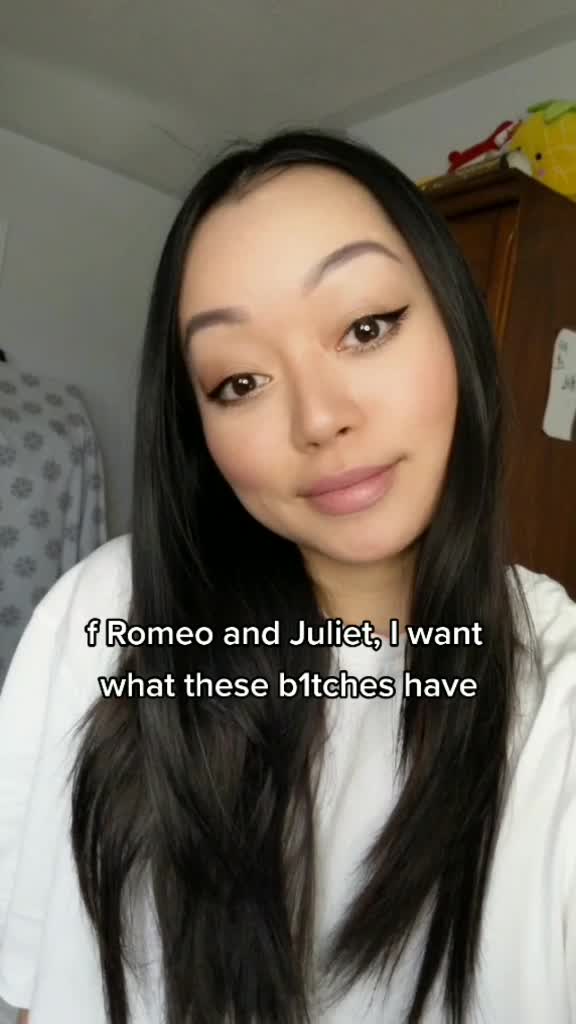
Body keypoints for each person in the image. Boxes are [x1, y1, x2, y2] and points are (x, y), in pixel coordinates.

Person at [0, 127, 574, 1024]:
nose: (317, 419)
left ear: (456, 324)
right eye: (239, 381)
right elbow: (41, 992)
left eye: (366, 328)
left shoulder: (556, 685)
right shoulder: (110, 610)